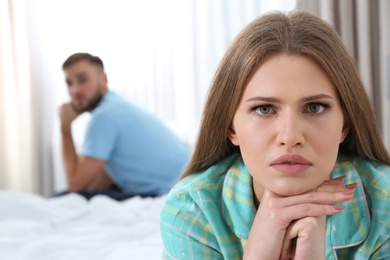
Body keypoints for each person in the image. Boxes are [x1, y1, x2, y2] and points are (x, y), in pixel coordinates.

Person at [159, 11, 390, 259]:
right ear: (230, 127)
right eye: (264, 109)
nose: (290, 137)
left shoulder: (385, 205)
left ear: (345, 125)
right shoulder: (190, 212)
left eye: (315, 107)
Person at [58, 52, 190, 201]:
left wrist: (65, 125)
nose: (75, 90)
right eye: (69, 83)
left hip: (164, 193)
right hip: (183, 186)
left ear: (103, 79)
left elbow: (75, 184)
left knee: (62, 198)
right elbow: (100, 178)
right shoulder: (115, 106)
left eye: (82, 80)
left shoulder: (104, 116)